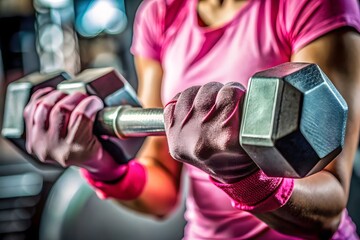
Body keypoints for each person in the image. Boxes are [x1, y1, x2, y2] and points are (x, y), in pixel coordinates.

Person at [24, 0, 360, 239]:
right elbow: (162, 190)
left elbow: (328, 207)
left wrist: (243, 176)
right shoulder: (160, 13)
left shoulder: (311, 5)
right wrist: (102, 166)